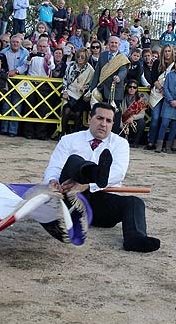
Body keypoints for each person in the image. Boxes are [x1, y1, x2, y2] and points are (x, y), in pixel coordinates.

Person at [44, 102, 160, 253]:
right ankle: (95, 172)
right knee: (74, 160)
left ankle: (135, 238)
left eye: (108, 121)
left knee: (135, 202)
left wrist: (88, 185)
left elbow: (118, 172)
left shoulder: (120, 143)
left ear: (112, 124)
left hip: (100, 200)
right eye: (99, 118)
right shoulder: (69, 140)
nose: (103, 124)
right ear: (89, 119)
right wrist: (52, 181)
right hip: (69, 197)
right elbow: (55, 167)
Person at [88, 36, 128, 132]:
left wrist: (119, 77)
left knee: (115, 115)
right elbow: (97, 73)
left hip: (115, 91)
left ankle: (114, 135)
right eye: (112, 42)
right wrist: (92, 89)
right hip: (102, 90)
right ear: (108, 44)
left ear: (119, 45)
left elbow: (123, 71)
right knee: (102, 114)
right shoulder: (103, 55)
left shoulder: (122, 57)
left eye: (116, 43)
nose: (113, 44)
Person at [155, 56, 176, 153]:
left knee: (174, 126)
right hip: (168, 102)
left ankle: (168, 146)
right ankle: (159, 144)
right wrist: (170, 99)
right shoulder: (169, 75)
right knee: (164, 123)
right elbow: (165, 88)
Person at [146, 44, 176, 150]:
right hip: (158, 93)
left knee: (165, 120)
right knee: (155, 118)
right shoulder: (157, 63)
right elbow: (153, 78)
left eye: (169, 51)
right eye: (166, 51)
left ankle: (160, 142)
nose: (167, 53)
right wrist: (162, 89)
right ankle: (151, 141)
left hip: (169, 95)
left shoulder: (175, 64)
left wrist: (167, 92)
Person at [24, 38, 55, 140]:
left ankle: (41, 133)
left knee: (43, 109)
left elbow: (52, 67)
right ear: (37, 46)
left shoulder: (50, 56)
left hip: (43, 85)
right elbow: (26, 63)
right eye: (40, 46)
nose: (42, 48)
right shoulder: (32, 55)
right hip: (31, 84)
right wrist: (30, 56)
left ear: (47, 47)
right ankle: (28, 132)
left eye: (44, 46)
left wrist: (48, 61)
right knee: (29, 108)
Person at [0, 33, 29, 137]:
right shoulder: (4, 52)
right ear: (10, 43)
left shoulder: (25, 52)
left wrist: (16, 71)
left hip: (19, 81)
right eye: (13, 42)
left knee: (17, 105)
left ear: (20, 43)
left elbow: (26, 65)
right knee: (5, 104)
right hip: (6, 81)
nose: (15, 44)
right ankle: (4, 129)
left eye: (17, 42)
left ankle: (13, 130)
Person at [60, 47, 94, 136]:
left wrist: (86, 87)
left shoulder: (90, 69)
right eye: (78, 56)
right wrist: (64, 91)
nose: (80, 58)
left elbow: (91, 83)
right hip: (69, 93)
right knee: (66, 111)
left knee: (78, 113)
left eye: (82, 57)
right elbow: (65, 79)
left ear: (86, 58)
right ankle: (62, 134)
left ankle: (75, 135)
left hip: (81, 95)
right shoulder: (71, 65)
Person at [119, 80, 147, 148]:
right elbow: (119, 113)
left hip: (133, 122)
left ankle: (135, 142)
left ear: (136, 89)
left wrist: (133, 118)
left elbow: (142, 114)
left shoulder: (139, 100)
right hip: (123, 122)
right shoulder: (121, 98)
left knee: (142, 122)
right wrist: (121, 124)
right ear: (127, 88)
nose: (132, 89)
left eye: (134, 87)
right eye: (130, 87)